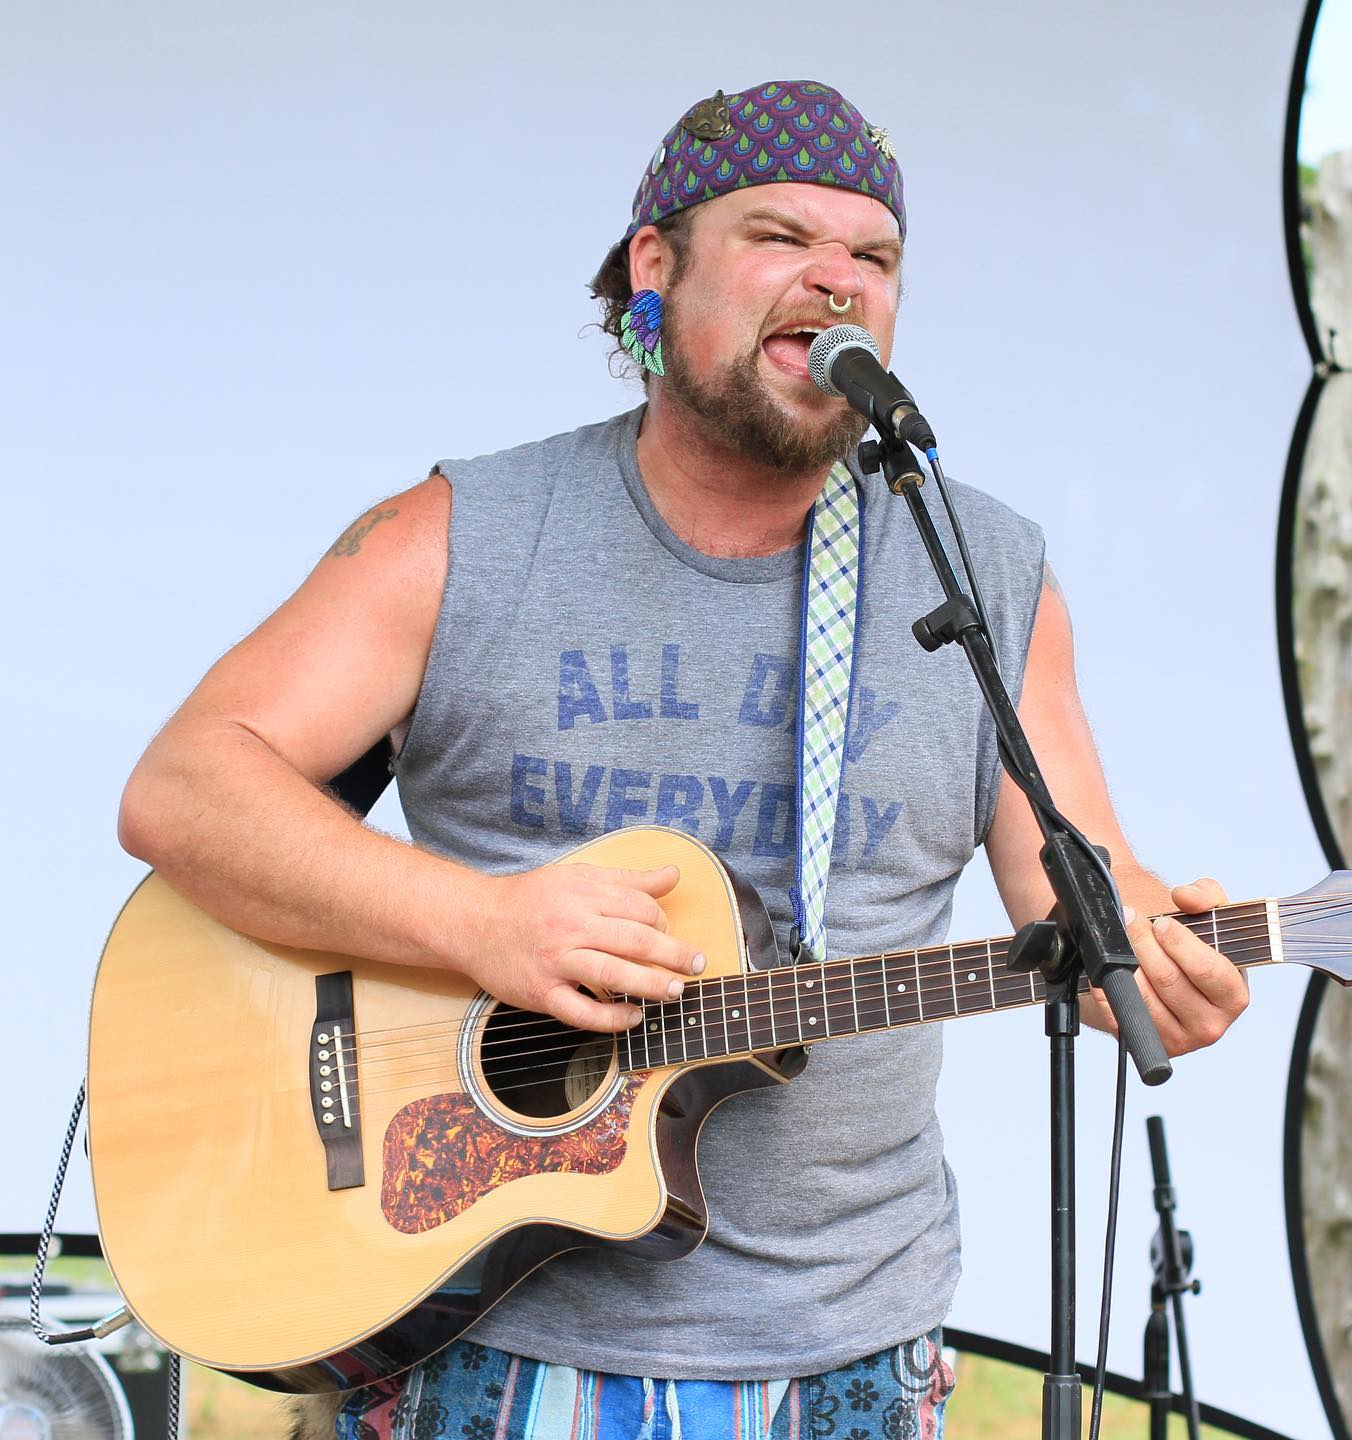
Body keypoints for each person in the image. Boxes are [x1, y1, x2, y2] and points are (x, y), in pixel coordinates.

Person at [118, 79, 1248, 1440]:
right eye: (781, 237)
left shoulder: (987, 572)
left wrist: (1156, 962)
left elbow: (1076, 882)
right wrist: (482, 922)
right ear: (655, 268)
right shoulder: (464, 534)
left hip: (855, 1350)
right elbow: (183, 787)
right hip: (495, 1335)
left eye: (876, 258)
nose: (839, 281)